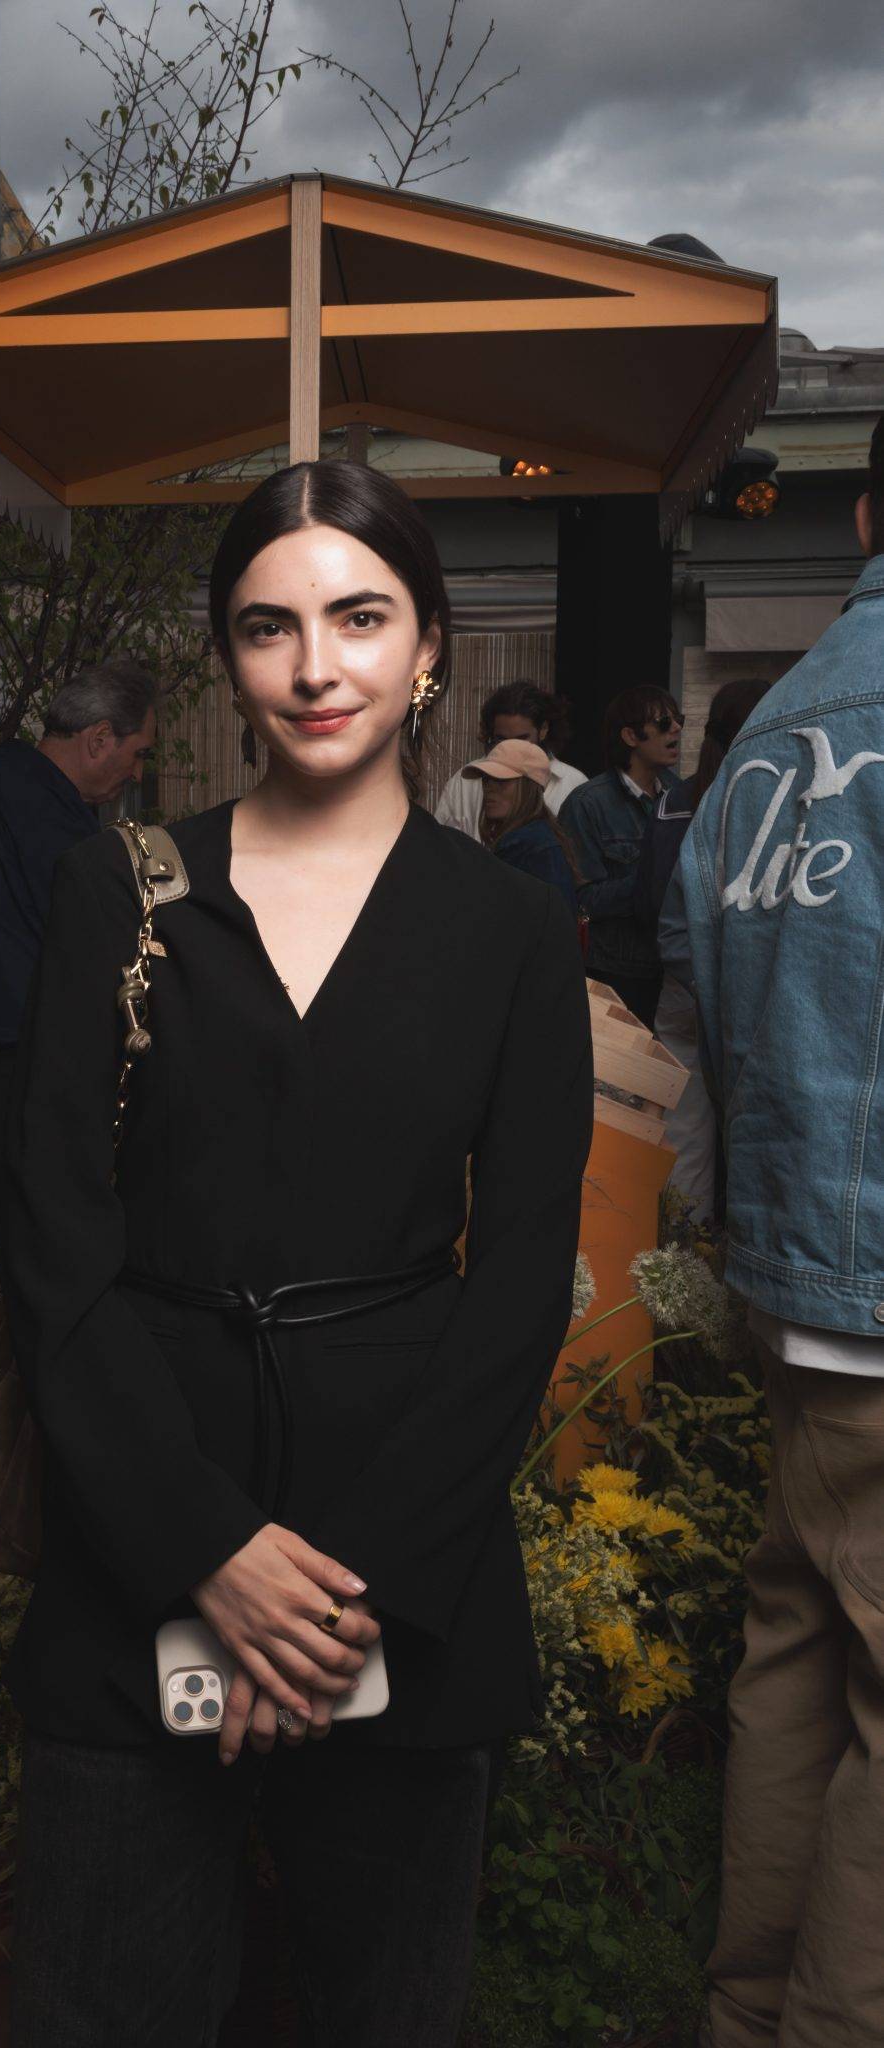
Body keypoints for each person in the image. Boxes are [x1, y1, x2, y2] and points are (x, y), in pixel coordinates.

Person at [2, 460, 592, 2046]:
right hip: (142, 1513)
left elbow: (520, 1274)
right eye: (269, 627)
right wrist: (205, 1549)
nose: (315, 666)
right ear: (224, 655)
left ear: (428, 648)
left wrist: (335, 1599)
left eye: (359, 618)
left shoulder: (506, 928)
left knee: (379, 2012)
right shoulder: (120, 893)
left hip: (399, 1546)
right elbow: (52, 1245)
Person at [679, 415, 884, 2048]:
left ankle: (742, 2006)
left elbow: (693, 1010)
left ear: (866, 514)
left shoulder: (769, 722)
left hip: (787, 1273)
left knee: (792, 1648)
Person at [0, 660, 157, 1245]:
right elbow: (93, 947)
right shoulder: (45, 816)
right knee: (40, 1253)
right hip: (18, 1077)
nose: (137, 772)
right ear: (99, 739)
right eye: (138, 753)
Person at [640, 678, 770, 1223]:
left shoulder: (676, 801)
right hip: (753, 985)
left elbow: (654, 899)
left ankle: (681, 1252)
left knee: (685, 1130)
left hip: (683, 980)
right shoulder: (771, 801)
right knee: (760, 1125)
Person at [559, 684, 684, 1025]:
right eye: (663, 722)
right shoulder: (588, 804)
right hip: (616, 973)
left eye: (678, 720)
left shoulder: (680, 796)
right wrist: (652, 880)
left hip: (674, 969)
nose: (676, 729)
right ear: (630, 736)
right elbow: (581, 900)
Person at [434, 677, 586, 838]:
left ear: (543, 730)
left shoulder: (574, 786)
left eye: (521, 739)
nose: (511, 747)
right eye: (502, 739)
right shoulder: (463, 782)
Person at [464, 737, 580, 911]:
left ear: (528, 788)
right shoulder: (535, 838)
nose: (489, 788)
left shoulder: (531, 846)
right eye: (486, 779)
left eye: (501, 781)